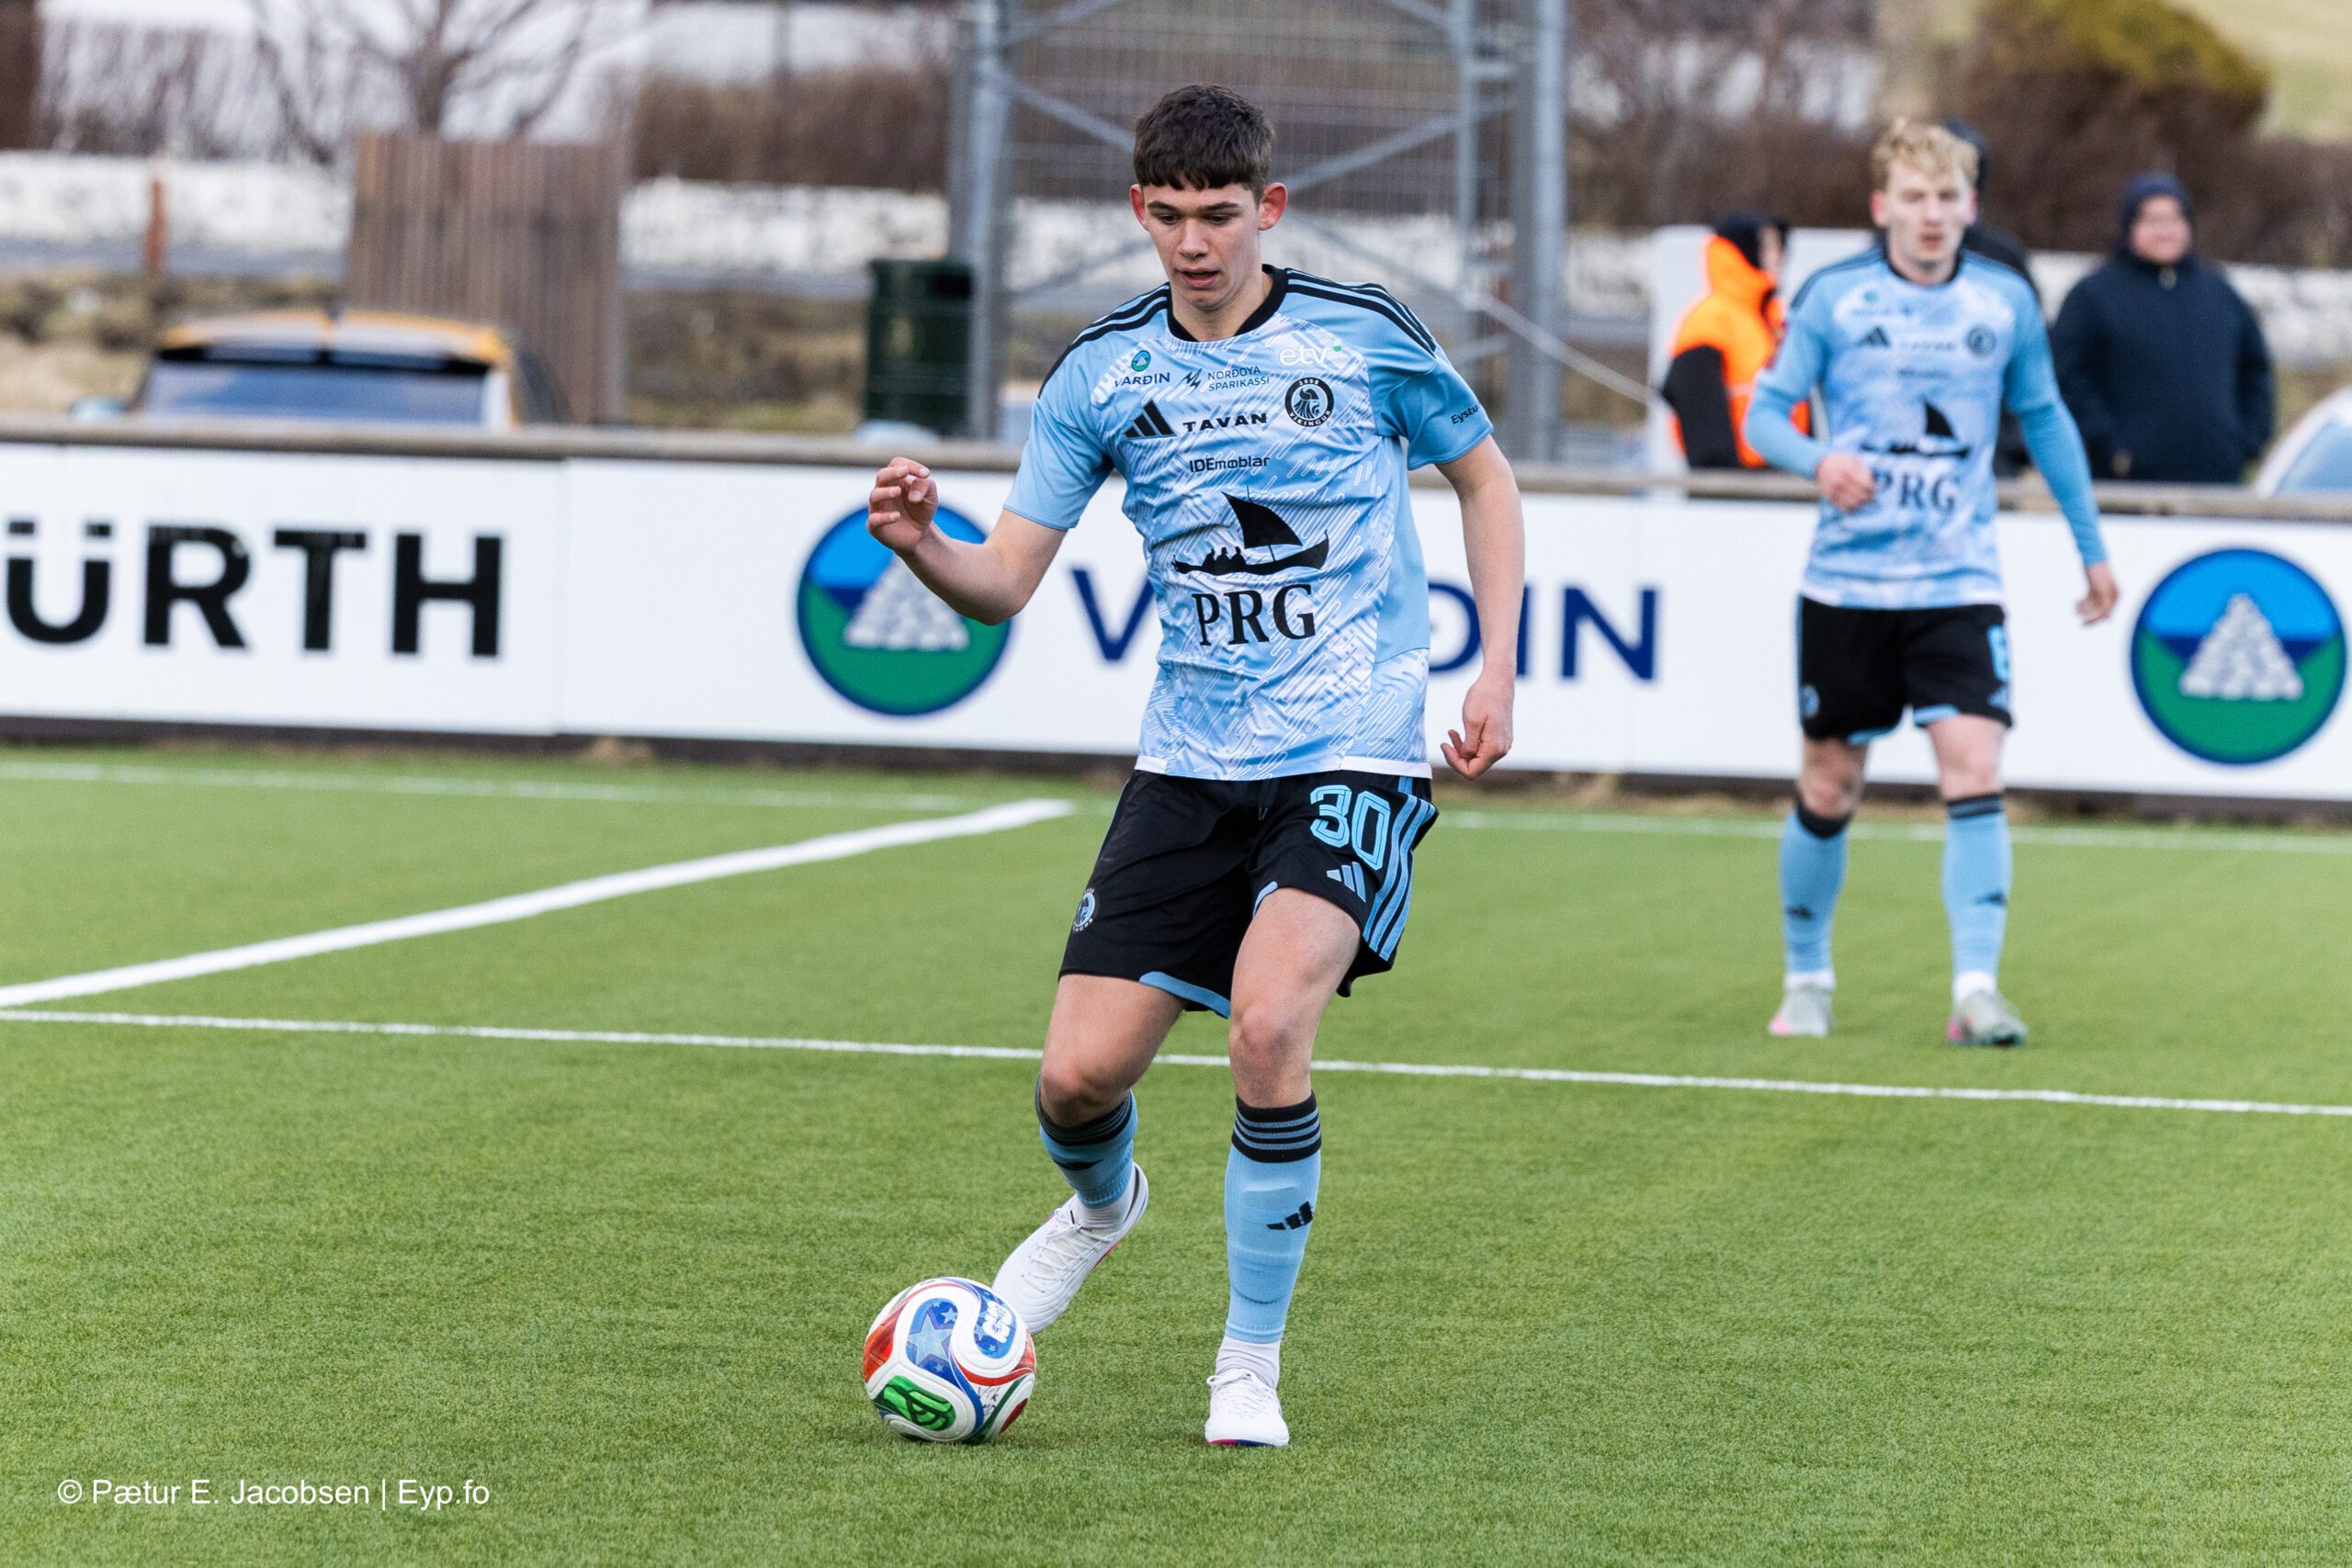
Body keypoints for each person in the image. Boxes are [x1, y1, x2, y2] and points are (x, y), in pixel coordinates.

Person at [865, 83, 1524, 1448]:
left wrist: (1496, 668)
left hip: (1351, 751)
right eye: (1167, 216)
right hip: (1188, 763)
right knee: (1074, 1081)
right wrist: (922, 543)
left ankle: (1247, 1364)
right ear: (1138, 211)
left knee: (1268, 1028)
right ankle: (1103, 1206)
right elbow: (1003, 583)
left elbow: (1486, 477)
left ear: (1268, 208)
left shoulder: (1362, 336)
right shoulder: (1101, 374)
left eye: (1218, 214)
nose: (1193, 242)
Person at [1742, 118, 2119, 1047]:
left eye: (1948, 198)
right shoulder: (1835, 298)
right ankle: (1806, 977)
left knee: (1976, 766)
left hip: (1958, 583)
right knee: (1830, 784)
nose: (1932, 215)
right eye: (1914, 198)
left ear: (1970, 206)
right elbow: (1764, 415)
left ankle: (1976, 989)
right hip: (1848, 588)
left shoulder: (2003, 301)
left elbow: (2046, 418)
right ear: (1882, 206)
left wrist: (2090, 545)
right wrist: (1820, 461)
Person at [2051, 173, 2274, 484]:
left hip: (2217, 479)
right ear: (2129, 226)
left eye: (2174, 218)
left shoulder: (2220, 293)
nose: (2165, 230)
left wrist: (2248, 441)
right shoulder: (2093, 296)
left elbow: (2255, 369)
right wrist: (2110, 446)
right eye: (2152, 220)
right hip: (2129, 485)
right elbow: (2068, 377)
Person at [1661, 212, 1803, 469]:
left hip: (1786, 475)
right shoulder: (1709, 319)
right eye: (1768, 246)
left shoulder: (1777, 317)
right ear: (1744, 251)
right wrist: (1724, 480)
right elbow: (1697, 406)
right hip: (1738, 481)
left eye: (1779, 246)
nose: (1778, 255)